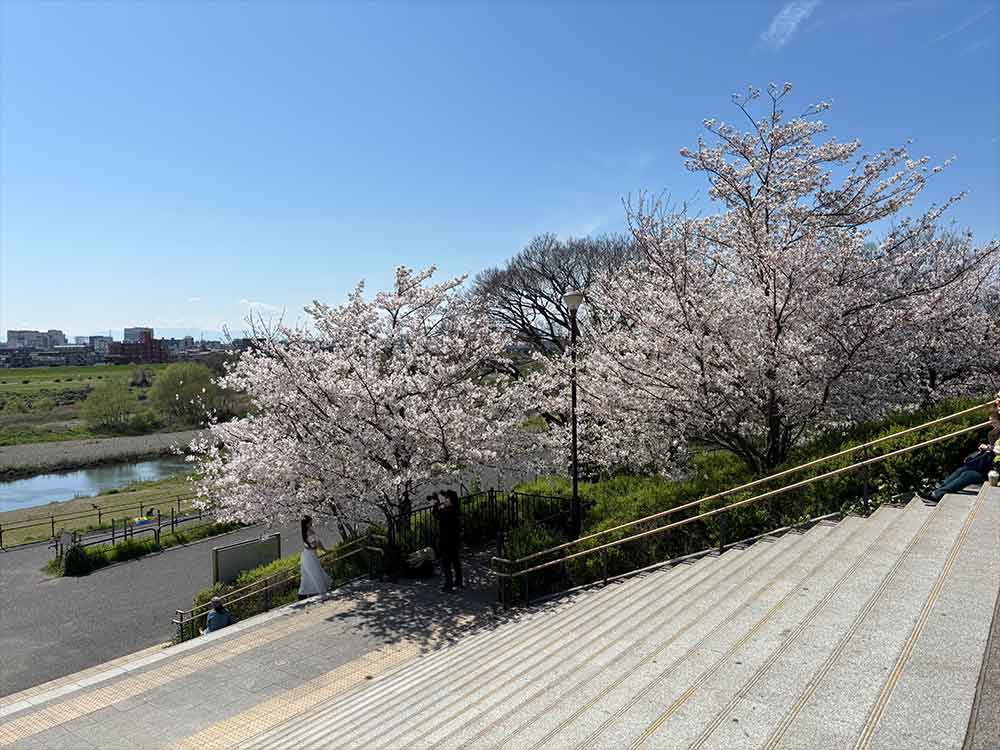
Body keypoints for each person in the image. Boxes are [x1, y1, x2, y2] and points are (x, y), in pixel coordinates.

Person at [918, 442, 996, 505]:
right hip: (981, 466)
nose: (992, 425)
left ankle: (937, 495)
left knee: (968, 474)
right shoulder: (995, 434)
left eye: (995, 423)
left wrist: (992, 449)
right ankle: (938, 490)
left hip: (990, 472)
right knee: (961, 470)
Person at [433, 490, 463, 592]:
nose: (445, 500)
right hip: (455, 540)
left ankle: (448, 584)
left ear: (449, 499)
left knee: (446, 563)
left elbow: (436, 514)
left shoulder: (446, 511)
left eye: (446, 498)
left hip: (446, 540)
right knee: (456, 562)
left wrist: (436, 503)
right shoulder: (456, 509)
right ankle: (459, 581)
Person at [298, 516, 332, 600]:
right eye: (310, 522)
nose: (312, 523)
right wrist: (325, 550)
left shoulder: (308, 531)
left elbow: (318, 542)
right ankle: (322, 594)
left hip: (309, 554)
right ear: (306, 523)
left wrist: (324, 549)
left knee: (311, 574)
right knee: (316, 573)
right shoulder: (308, 532)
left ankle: (303, 594)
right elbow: (316, 544)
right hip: (309, 555)